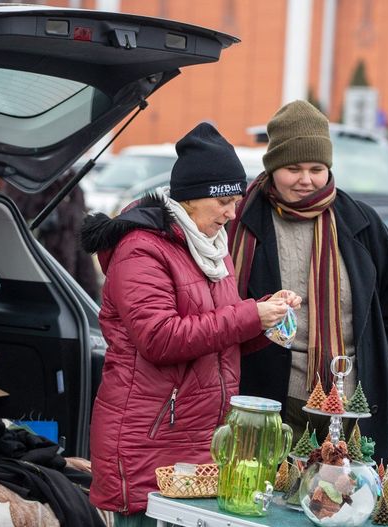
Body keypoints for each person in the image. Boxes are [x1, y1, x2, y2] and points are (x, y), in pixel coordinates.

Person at [81, 122, 300, 525]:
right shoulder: (141, 250)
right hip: (148, 440)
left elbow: (218, 336)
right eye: (226, 202)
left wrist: (267, 316)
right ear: (195, 197)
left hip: (200, 442)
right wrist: (250, 314)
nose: (233, 214)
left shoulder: (212, 249)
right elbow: (160, 339)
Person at [228, 100, 388, 465]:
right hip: (272, 401)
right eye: (292, 168)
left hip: (355, 403)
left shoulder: (362, 223)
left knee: (348, 509)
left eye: (316, 168)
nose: (306, 179)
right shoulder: (242, 223)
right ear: (272, 167)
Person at [2, 168, 99, 300]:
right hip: (37, 271)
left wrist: (89, 290)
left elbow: (79, 241)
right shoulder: (26, 185)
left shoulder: (74, 186)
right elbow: (11, 224)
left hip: (68, 277)